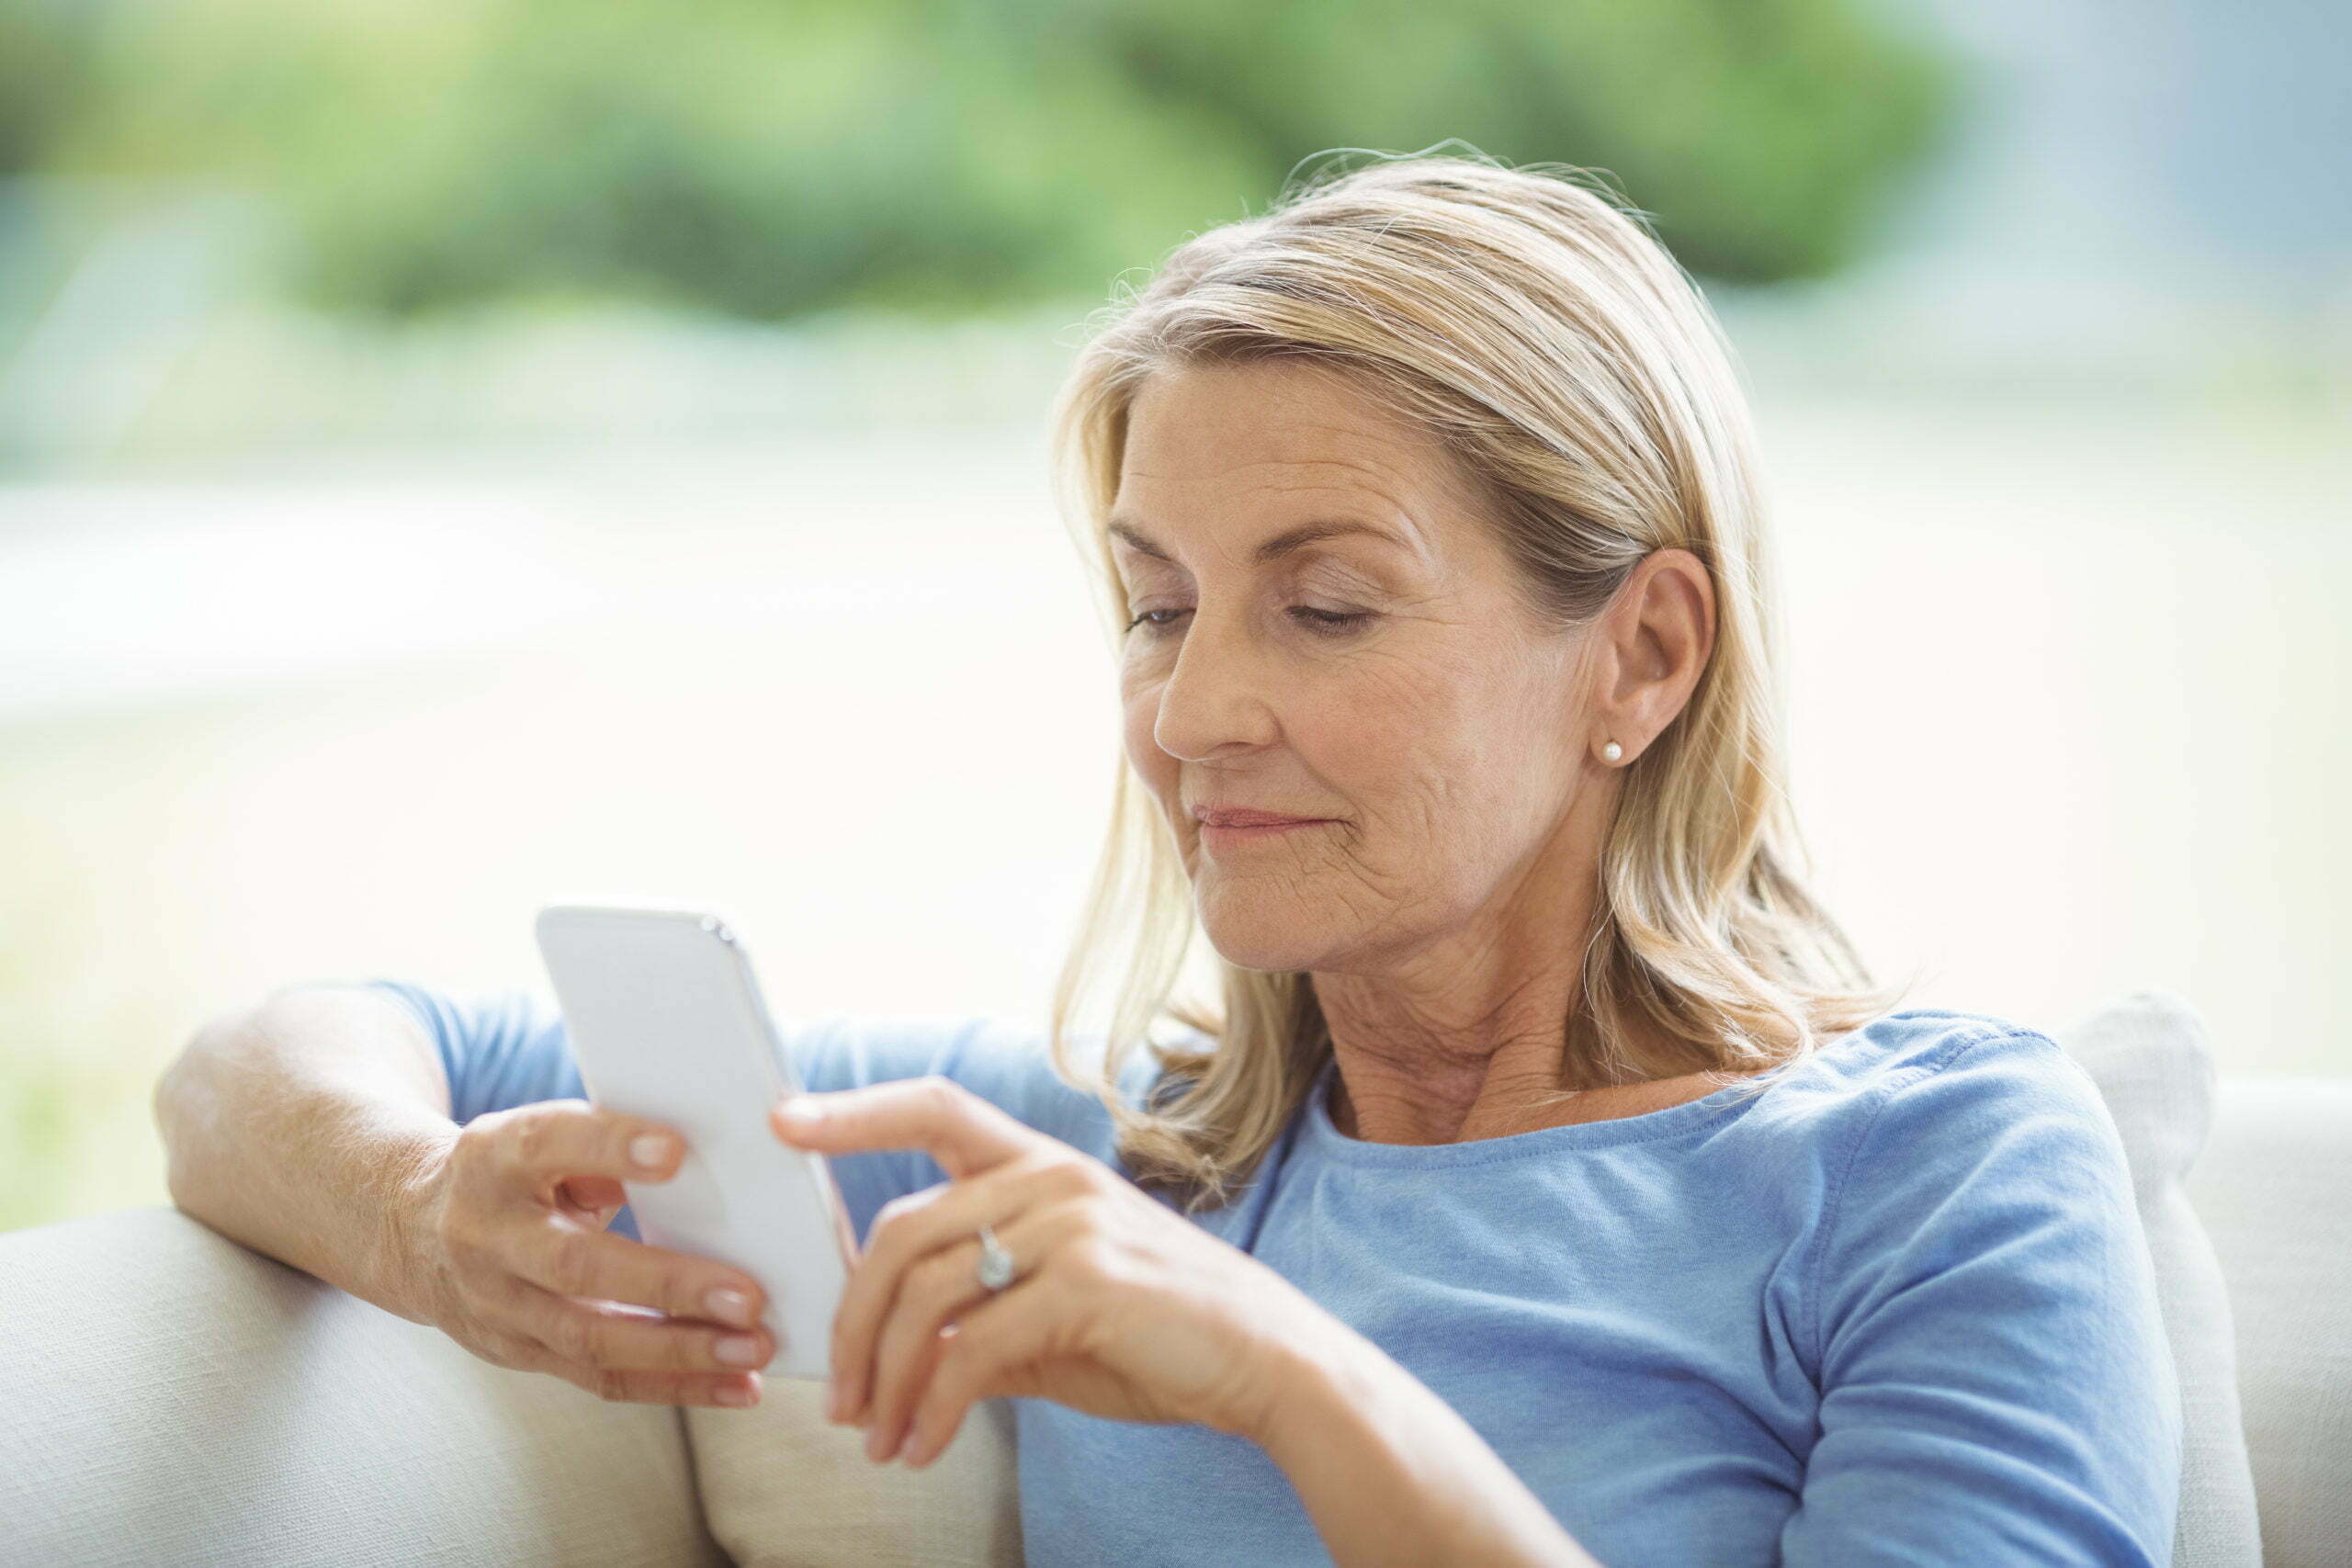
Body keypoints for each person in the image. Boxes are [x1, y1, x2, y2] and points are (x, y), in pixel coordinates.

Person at [153, 152, 2181, 1568]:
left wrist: (1293, 1378)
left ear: (1638, 652)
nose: (1189, 712)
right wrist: (423, 1215)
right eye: (1155, 604)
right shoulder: (1114, 1154)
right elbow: (259, 1059)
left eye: (1323, 607)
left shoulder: (1930, 1164)